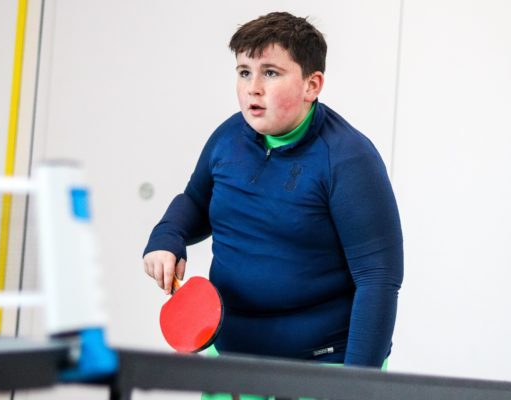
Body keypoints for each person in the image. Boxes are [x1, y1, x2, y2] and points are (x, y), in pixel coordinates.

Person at [143, 11, 403, 372]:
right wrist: (167, 235)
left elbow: (378, 279)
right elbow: (196, 201)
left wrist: (357, 386)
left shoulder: (349, 158)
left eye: (271, 72)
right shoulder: (227, 138)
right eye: (244, 72)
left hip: (324, 367)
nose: (253, 87)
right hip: (233, 360)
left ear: (312, 85)